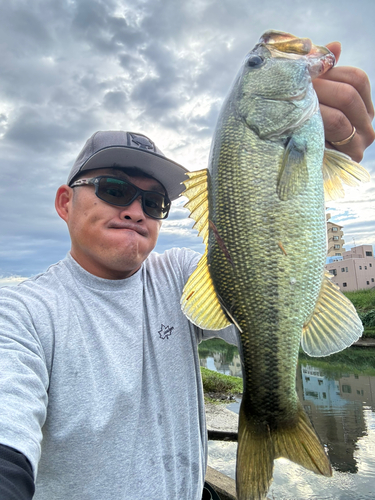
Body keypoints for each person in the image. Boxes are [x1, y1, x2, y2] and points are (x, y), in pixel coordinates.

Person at [0, 47, 374, 500]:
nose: (136, 211)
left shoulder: (178, 274)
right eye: (115, 190)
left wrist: (312, 154)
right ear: (65, 202)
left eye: (154, 202)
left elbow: (260, 291)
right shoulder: (21, 314)